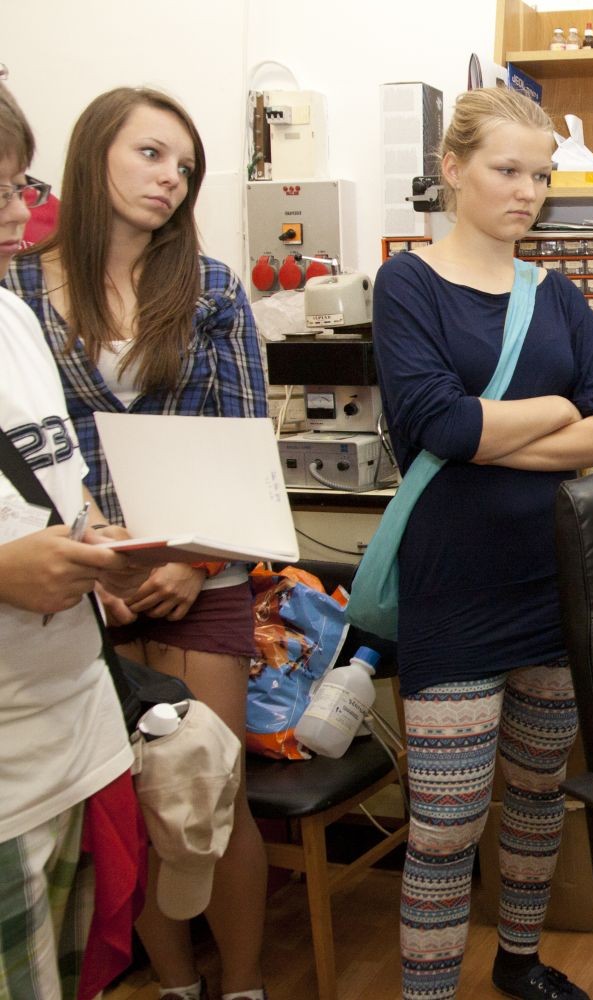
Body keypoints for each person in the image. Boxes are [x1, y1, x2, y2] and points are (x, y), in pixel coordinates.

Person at [370, 86, 593, 1000]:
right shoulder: (408, 285)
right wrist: (557, 409)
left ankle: (519, 962)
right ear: (452, 169)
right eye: (507, 170)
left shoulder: (556, 295)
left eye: (542, 176)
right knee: (446, 826)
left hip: (551, 581)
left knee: (535, 796)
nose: (528, 192)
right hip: (453, 588)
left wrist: (494, 435)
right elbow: (440, 426)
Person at [2, 87, 269, 1000]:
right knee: (132, 800)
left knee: (210, 790)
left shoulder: (211, 287)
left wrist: (195, 562)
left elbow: (246, 441)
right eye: (151, 154)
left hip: (202, 569)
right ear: (92, 155)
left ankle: (242, 985)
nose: (170, 180)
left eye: (185, 168)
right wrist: (96, 562)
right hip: (74, 575)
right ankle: (175, 985)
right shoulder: (18, 288)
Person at [0, 80, 152, 1000]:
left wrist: (99, 549)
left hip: (74, 733)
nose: (21, 214)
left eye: (20, 185)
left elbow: (53, 476)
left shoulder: (15, 319)